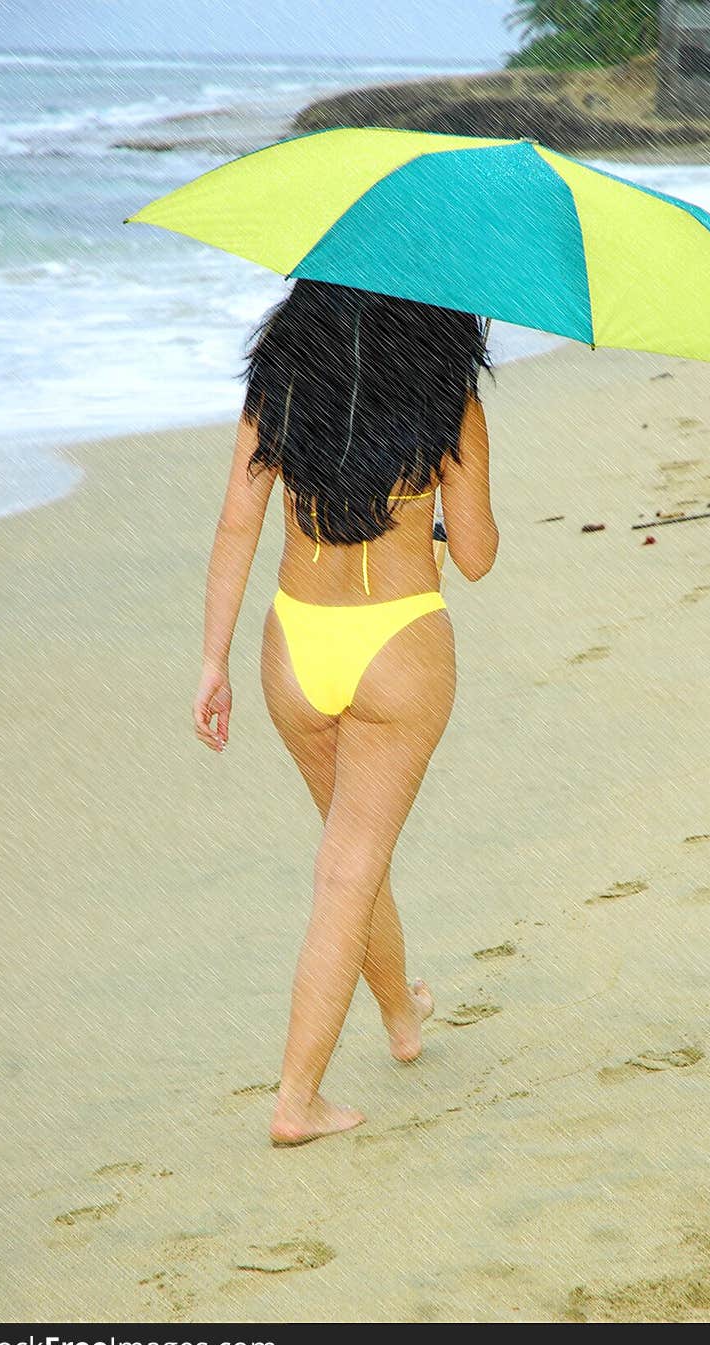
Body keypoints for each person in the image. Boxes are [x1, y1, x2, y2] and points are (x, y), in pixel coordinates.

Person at [193, 280, 499, 1147]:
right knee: (348, 867)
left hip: (294, 646)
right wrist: (435, 524)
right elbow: (474, 556)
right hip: (397, 642)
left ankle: (402, 1016)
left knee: (348, 852)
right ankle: (298, 1099)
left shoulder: (281, 383)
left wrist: (212, 661)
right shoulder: (450, 396)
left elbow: (233, 528)